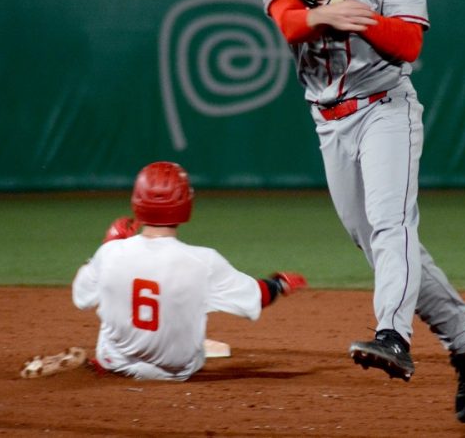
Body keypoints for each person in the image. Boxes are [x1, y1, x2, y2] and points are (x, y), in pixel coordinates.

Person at [261, 0, 465, 423]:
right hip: (329, 120)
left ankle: (393, 335)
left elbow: (409, 45)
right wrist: (324, 13)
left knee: (394, 226)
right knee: (378, 244)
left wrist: (351, 10)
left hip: (387, 107)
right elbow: (290, 22)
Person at [72, 161, 307, 380]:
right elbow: (258, 295)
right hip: (176, 372)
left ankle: (110, 360)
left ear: (137, 201)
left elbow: (81, 297)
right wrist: (279, 284)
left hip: (114, 364)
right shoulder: (204, 262)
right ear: (185, 203)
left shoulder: (112, 252)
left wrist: (107, 245)